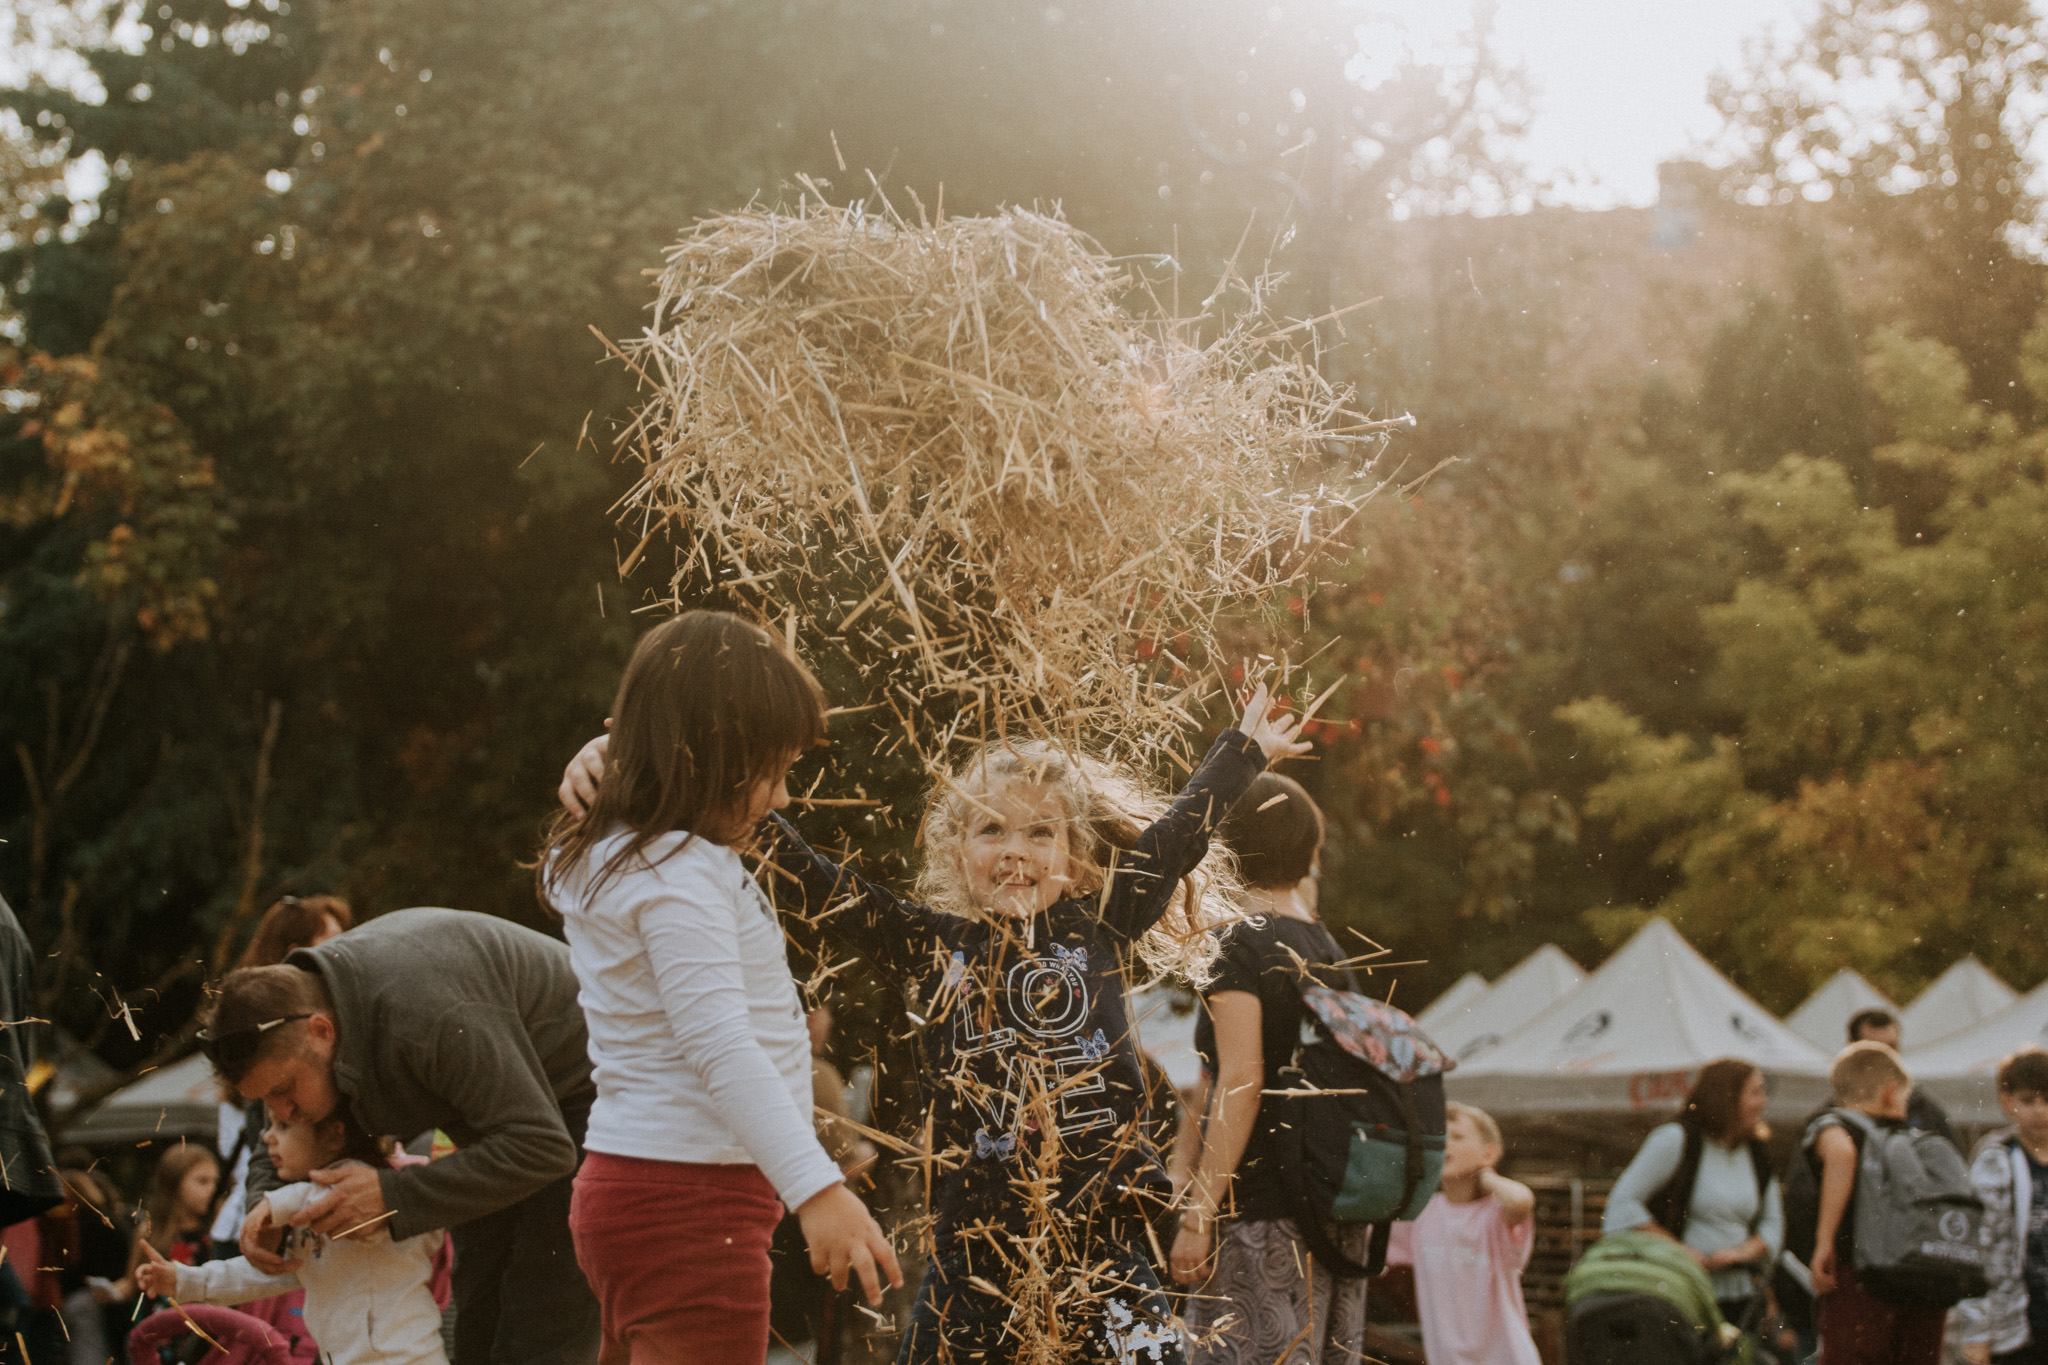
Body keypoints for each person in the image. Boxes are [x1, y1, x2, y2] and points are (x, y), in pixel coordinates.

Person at [539, 611, 900, 1364]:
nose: (783, 798)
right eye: (771, 771)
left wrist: (606, 755)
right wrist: (818, 1188)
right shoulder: (681, 875)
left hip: (627, 1186)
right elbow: (720, 1046)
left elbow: (561, 862)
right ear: (709, 760)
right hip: (692, 1204)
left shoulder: (603, 855)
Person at [200, 906, 601, 1365]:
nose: (282, 1113)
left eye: (284, 1093)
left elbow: (544, 1147)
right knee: (479, 1310)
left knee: (543, 1309)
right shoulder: (298, 1022)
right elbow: (277, 1141)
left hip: (586, 1090)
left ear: (322, 1031)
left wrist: (391, 1194)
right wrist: (264, 1203)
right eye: (266, 1103)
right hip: (500, 1112)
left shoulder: (423, 1017)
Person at [1167, 771, 1370, 1365]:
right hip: (1331, 1213)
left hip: (1258, 1216)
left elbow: (1240, 1079)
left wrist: (1199, 1213)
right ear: (1309, 851)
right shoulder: (1327, 950)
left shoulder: (1237, 943)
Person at [137, 1112, 447, 1365]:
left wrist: (272, 1206)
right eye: (269, 1124)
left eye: (283, 1126)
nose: (267, 1136)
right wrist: (184, 1280)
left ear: (334, 1136)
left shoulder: (363, 1190)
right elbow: (260, 1274)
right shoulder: (310, 1215)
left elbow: (320, 1193)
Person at [214, 896, 355, 1245]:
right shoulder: (270, 1049)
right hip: (276, 1224)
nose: (345, 950)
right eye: (333, 941)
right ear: (298, 953)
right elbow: (264, 1148)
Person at [1605, 1058, 1783, 1329]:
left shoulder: (1755, 1153)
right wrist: (1679, 1251)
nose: (1763, 1102)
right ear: (1728, 1097)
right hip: (1677, 1291)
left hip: (1739, 1294)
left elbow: (1773, 1223)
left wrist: (1741, 1253)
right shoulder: (1676, 1139)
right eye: (1756, 1092)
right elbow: (1622, 1205)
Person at [1807, 1041, 1945, 1365]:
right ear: (1889, 1092)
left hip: (1860, 1278)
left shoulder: (1834, 1124)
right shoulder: (1913, 1140)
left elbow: (1841, 1155)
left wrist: (1824, 1240)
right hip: (1920, 1278)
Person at [1386, 1103, 1540, 1365]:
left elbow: (1521, 1201)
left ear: (1488, 1154)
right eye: (1440, 1136)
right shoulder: (1422, 1215)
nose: (1446, 1143)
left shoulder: (1495, 1214)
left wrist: (1486, 1174)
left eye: (1457, 1137)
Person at [1956, 1046, 2048, 1365]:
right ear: (2007, 1103)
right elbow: (1978, 1250)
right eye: (2029, 1101)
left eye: (2047, 1101)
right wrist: (1975, 1331)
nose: (2041, 1111)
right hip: (2016, 1325)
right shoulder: (1996, 1161)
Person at [1846, 1008, 1959, 1149]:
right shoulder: (1836, 1114)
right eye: (1876, 1050)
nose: (1886, 1057)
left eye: (1891, 1047)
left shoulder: (1924, 1110)